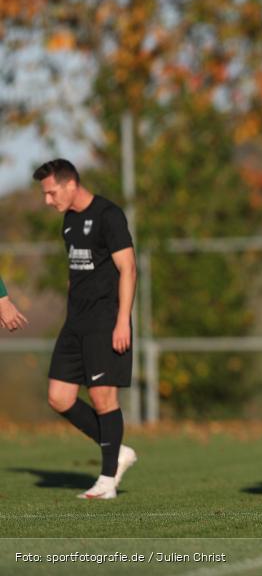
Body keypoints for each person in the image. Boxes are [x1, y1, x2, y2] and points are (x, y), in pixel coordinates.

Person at [34, 158, 138, 500]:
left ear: (70, 184)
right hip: (75, 323)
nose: (48, 201)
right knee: (59, 397)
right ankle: (118, 451)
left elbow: (129, 269)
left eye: (51, 193)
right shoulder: (69, 221)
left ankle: (107, 480)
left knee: (102, 397)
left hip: (106, 321)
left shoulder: (109, 215)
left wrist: (122, 320)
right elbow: (75, 272)